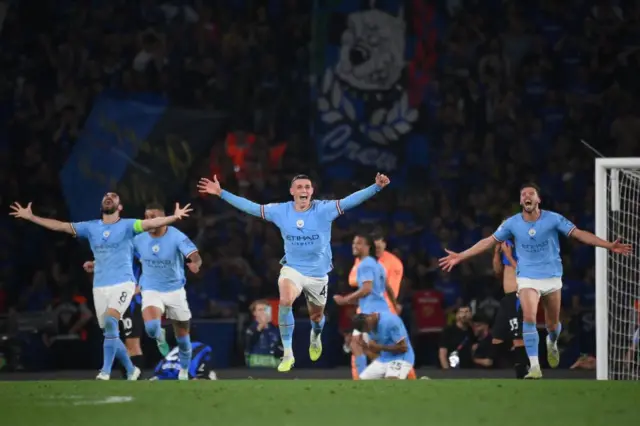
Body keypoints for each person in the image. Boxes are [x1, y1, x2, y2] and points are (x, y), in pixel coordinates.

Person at [197, 173, 390, 372]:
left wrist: (375, 187)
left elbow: (350, 201)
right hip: (293, 269)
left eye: (307, 187)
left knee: (316, 317)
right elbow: (251, 207)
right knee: (285, 300)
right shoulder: (281, 211)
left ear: (312, 191)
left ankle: (315, 335)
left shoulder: (324, 209)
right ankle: (288, 353)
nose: (303, 190)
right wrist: (221, 193)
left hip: (317, 274)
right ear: (292, 192)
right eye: (299, 187)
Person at [439, 183, 633, 379]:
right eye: (523, 194)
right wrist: (461, 256)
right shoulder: (512, 223)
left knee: (552, 324)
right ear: (521, 201)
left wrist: (608, 245)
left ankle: (552, 341)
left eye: (531, 193)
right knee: (529, 318)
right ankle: (535, 367)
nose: (526, 196)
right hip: (526, 277)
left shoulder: (553, 219)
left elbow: (579, 234)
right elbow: (488, 241)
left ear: (538, 199)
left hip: (551, 276)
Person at [9, 193, 192, 380]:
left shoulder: (129, 225)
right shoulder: (91, 227)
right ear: (101, 204)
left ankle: (104, 371)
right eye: (106, 196)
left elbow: (150, 224)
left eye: (114, 196)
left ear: (120, 207)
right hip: (100, 286)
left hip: (123, 284)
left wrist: (174, 218)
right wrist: (32, 217)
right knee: (110, 333)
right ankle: (131, 369)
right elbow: (61, 226)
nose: (109, 197)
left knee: (115, 325)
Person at [132, 203, 202, 381]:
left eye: (153, 216)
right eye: (146, 217)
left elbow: (195, 255)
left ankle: (184, 371)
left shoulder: (176, 236)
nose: (149, 221)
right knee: (151, 327)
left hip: (175, 291)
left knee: (183, 338)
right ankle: (159, 335)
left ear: (163, 218)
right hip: (150, 289)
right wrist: (96, 264)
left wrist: (195, 263)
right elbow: (120, 255)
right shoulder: (138, 238)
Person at [334, 233, 400, 379]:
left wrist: (345, 300)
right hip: (381, 311)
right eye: (353, 243)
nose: (354, 246)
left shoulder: (364, 265)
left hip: (371, 312)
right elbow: (387, 287)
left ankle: (367, 378)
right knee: (362, 346)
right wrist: (395, 305)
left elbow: (366, 289)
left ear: (367, 247)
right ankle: (382, 375)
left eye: (359, 243)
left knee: (358, 345)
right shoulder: (377, 264)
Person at [83, 259, 146, 376]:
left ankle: (134, 381)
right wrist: (95, 263)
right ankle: (130, 372)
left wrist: (137, 289)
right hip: (114, 298)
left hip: (131, 302)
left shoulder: (138, 247)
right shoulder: (118, 245)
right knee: (112, 336)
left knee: (132, 344)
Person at [491, 238, 528, 378]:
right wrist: (496, 254)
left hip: (518, 296)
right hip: (507, 298)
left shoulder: (523, 247)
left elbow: (523, 271)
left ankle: (522, 369)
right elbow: (497, 271)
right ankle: (502, 368)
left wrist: (508, 255)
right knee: (497, 337)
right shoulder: (506, 248)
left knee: (517, 336)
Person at [350, 311, 415, 380]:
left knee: (391, 380)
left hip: (401, 358)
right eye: (366, 331)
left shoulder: (390, 321)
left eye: (367, 330)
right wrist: (368, 348)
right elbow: (376, 352)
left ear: (368, 319)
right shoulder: (369, 327)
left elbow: (404, 348)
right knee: (362, 381)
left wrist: (380, 347)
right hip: (383, 359)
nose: (368, 332)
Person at [150, 341, 217, 381]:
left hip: (162, 372)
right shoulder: (204, 348)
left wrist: (156, 375)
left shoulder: (176, 348)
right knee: (210, 376)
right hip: (182, 373)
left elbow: (160, 365)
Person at [245, 300, 282, 368]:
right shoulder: (250, 328)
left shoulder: (276, 329)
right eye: (260, 310)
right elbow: (247, 344)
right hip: (256, 364)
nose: (263, 312)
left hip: (274, 364)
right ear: (254, 313)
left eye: (265, 309)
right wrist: (260, 327)